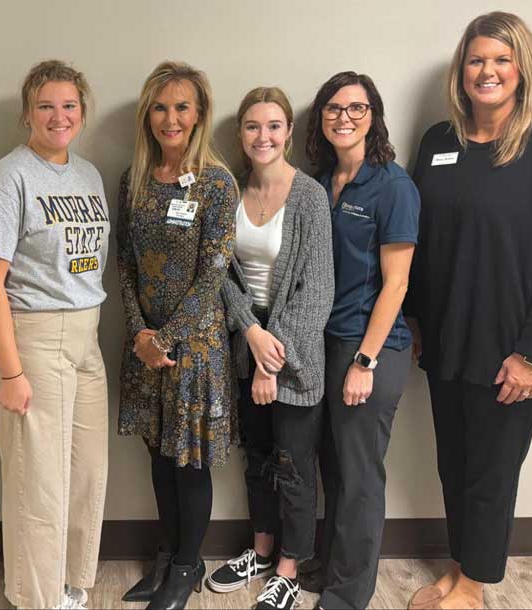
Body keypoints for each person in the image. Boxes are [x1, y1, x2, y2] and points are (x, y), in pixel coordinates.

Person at [405, 12, 532, 610]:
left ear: (520, 68)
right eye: (477, 59)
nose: (488, 71)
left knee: (491, 470)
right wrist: (418, 321)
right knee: (455, 466)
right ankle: (460, 571)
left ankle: (475, 586)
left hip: (515, 345)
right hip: (451, 337)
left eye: (500, 60)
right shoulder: (437, 142)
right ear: (462, 71)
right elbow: (418, 242)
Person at [0, 60, 110, 610]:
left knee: (87, 471)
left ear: (82, 111)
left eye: (69, 105)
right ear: (27, 112)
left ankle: (71, 584)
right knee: (39, 483)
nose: (59, 116)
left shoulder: (89, 174)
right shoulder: (9, 177)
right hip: (32, 335)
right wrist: (11, 372)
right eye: (46, 105)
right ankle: (36, 598)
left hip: (86, 334)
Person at [206, 87, 334, 610]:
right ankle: (260, 552)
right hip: (243, 345)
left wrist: (272, 360)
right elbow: (218, 273)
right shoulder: (228, 192)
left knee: (294, 465)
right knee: (256, 458)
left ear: (288, 132)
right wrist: (250, 336)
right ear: (240, 134)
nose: (264, 136)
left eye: (274, 125)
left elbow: (318, 289)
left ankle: (289, 567)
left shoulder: (309, 197)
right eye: (253, 126)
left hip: (295, 359)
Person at [116, 60, 238, 610]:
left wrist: (164, 340)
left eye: (181, 107)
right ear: (148, 115)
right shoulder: (133, 179)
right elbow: (123, 263)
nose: (171, 118)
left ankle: (188, 566)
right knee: (159, 458)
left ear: (198, 115)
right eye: (161, 107)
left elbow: (214, 273)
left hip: (194, 349)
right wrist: (140, 333)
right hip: (144, 348)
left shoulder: (216, 182)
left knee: (189, 462)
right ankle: (168, 556)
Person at [306, 71, 420, 610]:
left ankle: (349, 594)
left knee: (358, 477)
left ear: (373, 116)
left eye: (356, 108)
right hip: (326, 341)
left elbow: (396, 283)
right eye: (333, 108)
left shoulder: (393, 186)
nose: (343, 117)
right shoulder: (323, 179)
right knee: (333, 465)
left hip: (369, 348)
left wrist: (365, 361)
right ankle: (332, 566)